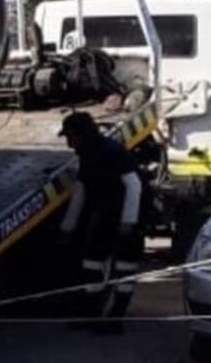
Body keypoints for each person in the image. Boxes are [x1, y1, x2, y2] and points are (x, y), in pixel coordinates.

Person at [58, 111, 146, 329]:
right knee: (92, 262)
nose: (69, 143)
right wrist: (66, 228)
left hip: (130, 215)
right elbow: (81, 192)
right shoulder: (88, 155)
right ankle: (93, 314)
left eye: (70, 137)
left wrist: (128, 221)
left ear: (82, 135)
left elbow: (134, 186)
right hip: (108, 215)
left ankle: (115, 318)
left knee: (125, 267)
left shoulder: (111, 152)